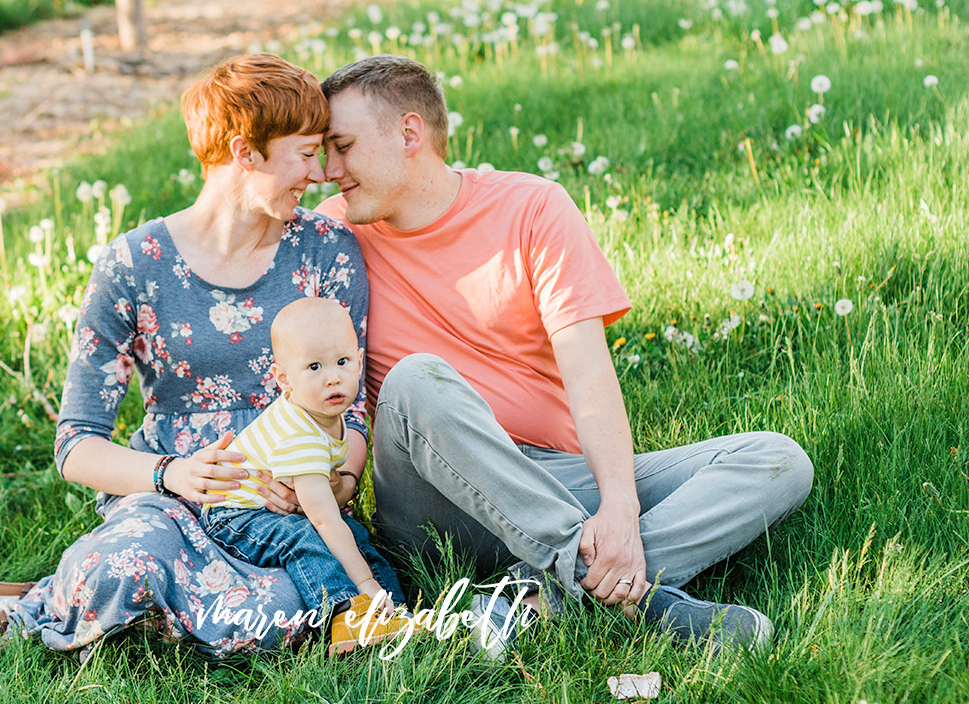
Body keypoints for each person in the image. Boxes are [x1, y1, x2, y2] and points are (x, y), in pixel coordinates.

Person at [316, 54, 814, 660]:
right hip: (432, 502)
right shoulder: (332, 238)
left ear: (410, 133)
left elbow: (588, 371)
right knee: (415, 380)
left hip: (552, 474)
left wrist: (621, 511)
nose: (326, 171)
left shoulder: (532, 208)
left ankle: (540, 600)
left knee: (775, 459)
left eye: (341, 146)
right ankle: (622, 588)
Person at [0, 54, 371, 662]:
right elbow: (76, 446)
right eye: (306, 154)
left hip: (286, 506)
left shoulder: (327, 250)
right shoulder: (133, 264)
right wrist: (171, 473)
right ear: (244, 152)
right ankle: (35, 610)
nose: (320, 174)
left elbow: (354, 408)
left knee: (291, 604)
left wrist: (338, 484)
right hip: (168, 500)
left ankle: (94, 607)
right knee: (127, 562)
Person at [200, 296, 414, 654]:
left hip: (268, 509)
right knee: (304, 538)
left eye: (342, 362)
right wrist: (362, 581)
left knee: (358, 536)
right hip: (233, 514)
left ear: (359, 362)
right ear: (283, 378)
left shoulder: (327, 412)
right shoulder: (300, 435)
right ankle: (344, 615)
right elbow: (325, 520)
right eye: (314, 367)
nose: (333, 378)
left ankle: (396, 613)